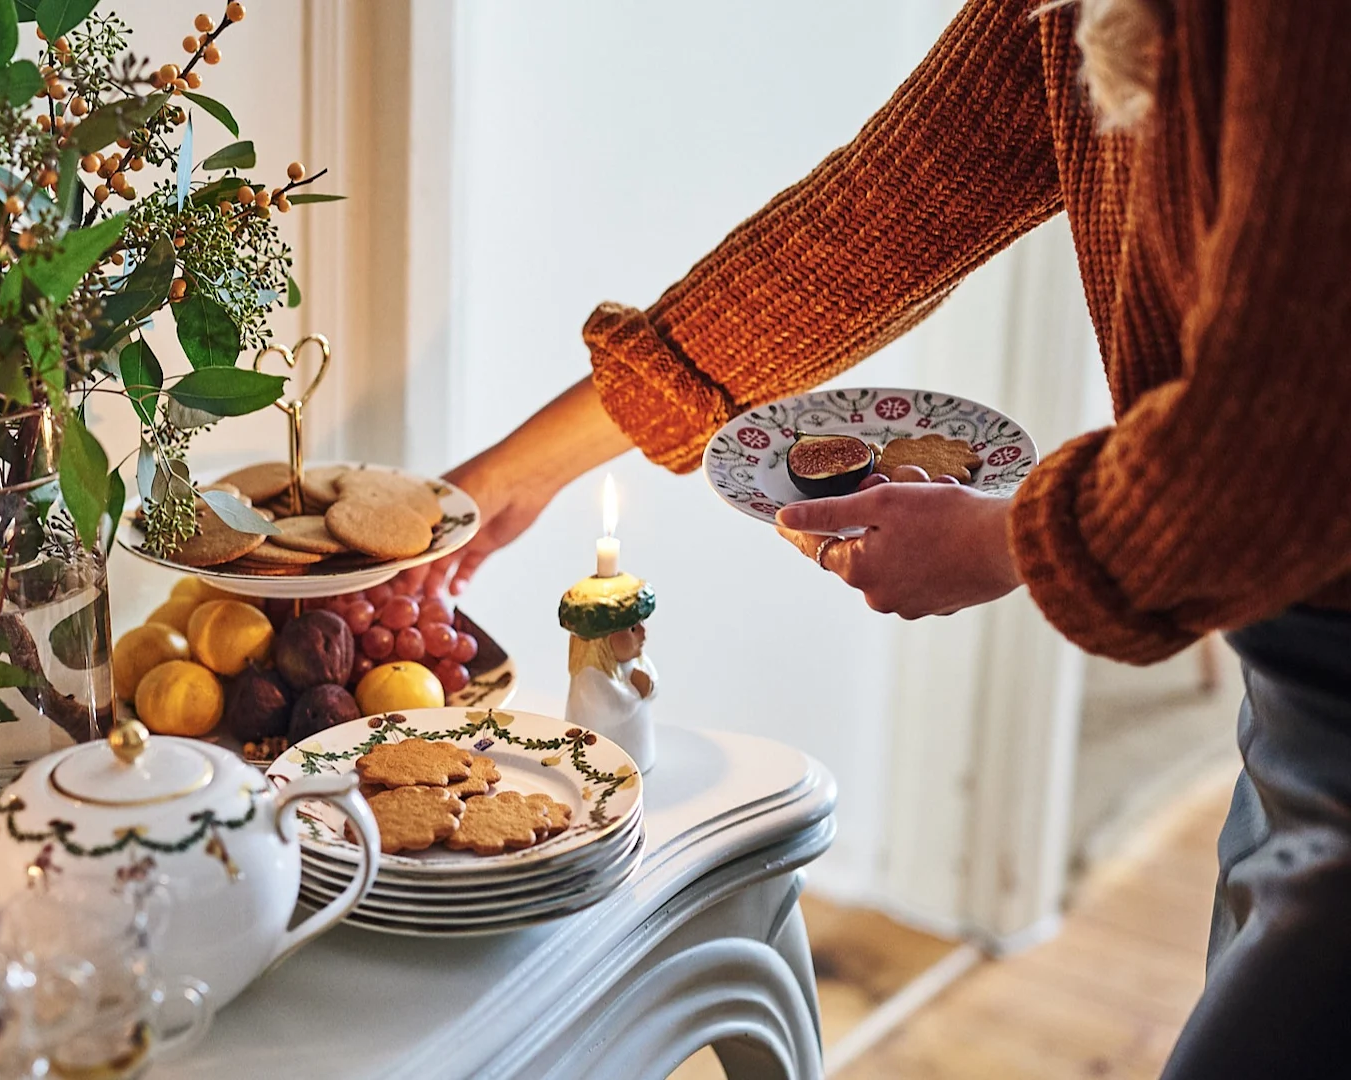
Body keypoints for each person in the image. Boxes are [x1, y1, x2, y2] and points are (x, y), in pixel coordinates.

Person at [424, 0, 1351, 1076]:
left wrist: (1007, 542)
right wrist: (515, 472)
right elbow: (880, 217)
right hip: (1290, 667)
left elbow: (1285, 435)